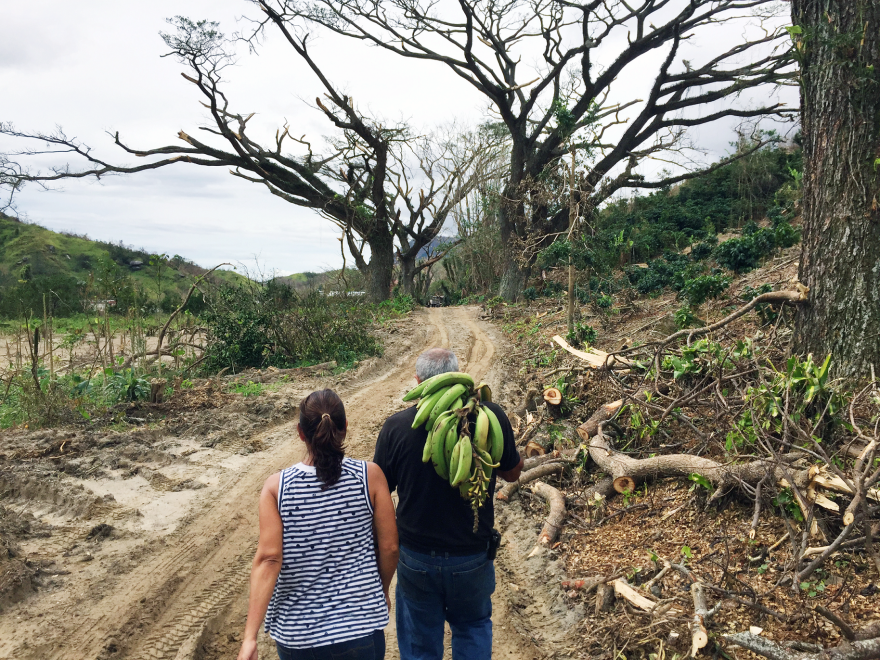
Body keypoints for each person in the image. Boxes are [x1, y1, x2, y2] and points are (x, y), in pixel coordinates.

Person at [373, 348, 524, 660]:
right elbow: (511, 472)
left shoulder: (396, 427)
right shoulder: (492, 416)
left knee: (419, 642)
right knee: (472, 627)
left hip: (416, 558)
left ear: (419, 382)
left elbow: (381, 492)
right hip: (472, 554)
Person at [237, 389, 399, 660]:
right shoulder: (370, 477)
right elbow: (391, 547)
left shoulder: (277, 488)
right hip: (361, 631)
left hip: (300, 639)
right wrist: (380, 591)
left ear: (300, 433)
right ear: (345, 428)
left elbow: (268, 559)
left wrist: (250, 638)